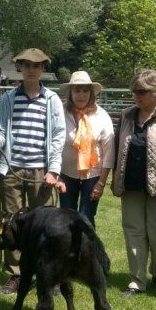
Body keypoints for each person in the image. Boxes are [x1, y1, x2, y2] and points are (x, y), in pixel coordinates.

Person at [0, 48, 66, 295]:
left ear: (43, 68)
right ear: (20, 67)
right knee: (9, 223)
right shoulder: (8, 98)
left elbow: (58, 137)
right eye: (27, 65)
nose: (31, 69)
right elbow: (1, 129)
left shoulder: (52, 100)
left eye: (37, 65)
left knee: (45, 224)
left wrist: (53, 170)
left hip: (41, 171)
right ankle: (16, 275)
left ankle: (48, 275)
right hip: (11, 169)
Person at [112, 70, 156, 297]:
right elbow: (116, 149)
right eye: (134, 91)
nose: (137, 96)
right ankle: (136, 280)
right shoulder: (126, 115)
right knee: (133, 232)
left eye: (142, 91)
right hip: (131, 187)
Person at [58, 70, 114, 229]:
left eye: (85, 90)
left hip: (93, 175)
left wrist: (101, 183)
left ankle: (87, 252)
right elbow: (52, 144)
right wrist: (56, 175)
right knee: (66, 218)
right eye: (77, 90)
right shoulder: (60, 113)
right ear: (70, 92)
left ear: (91, 93)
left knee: (86, 217)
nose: (81, 94)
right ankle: (68, 252)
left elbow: (109, 152)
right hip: (66, 174)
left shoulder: (102, 116)